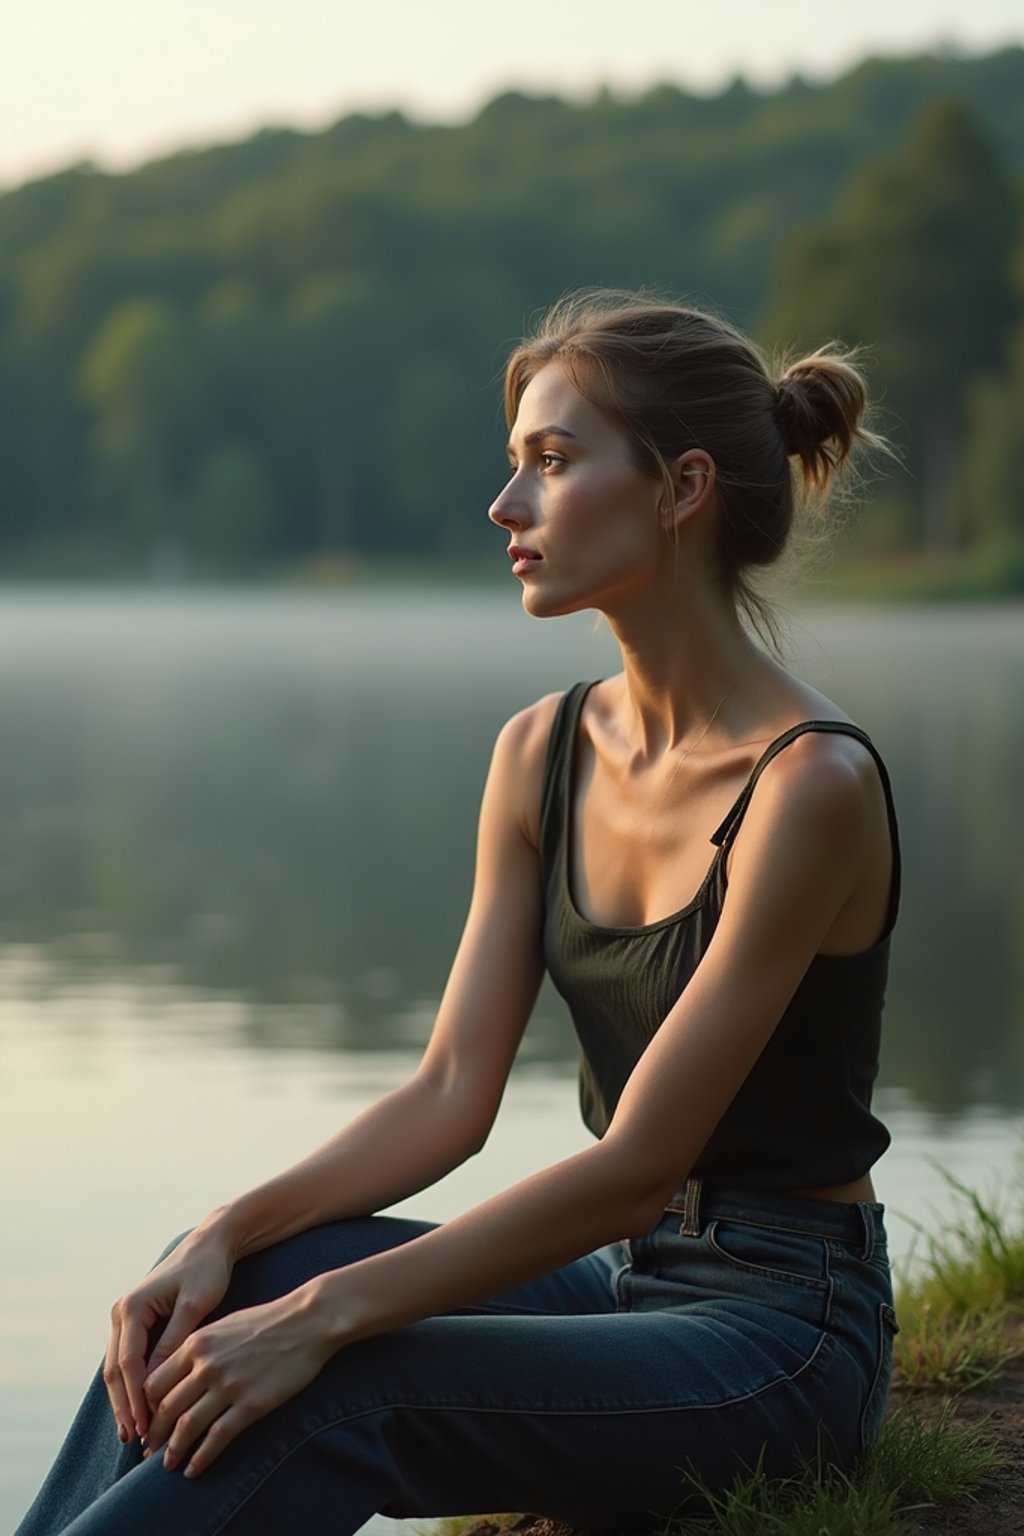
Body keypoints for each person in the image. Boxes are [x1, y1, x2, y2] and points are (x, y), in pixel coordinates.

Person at [18, 292, 900, 1536]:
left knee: (346, 1380)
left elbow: (634, 1170)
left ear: (679, 486)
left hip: (783, 1329)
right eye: (513, 466)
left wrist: (325, 1317)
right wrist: (221, 1237)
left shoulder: (808, 784)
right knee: (216, 1294)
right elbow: (447, 1097)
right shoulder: (541, 751)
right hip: (621, 1286)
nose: (506, 507)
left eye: (551, 462)